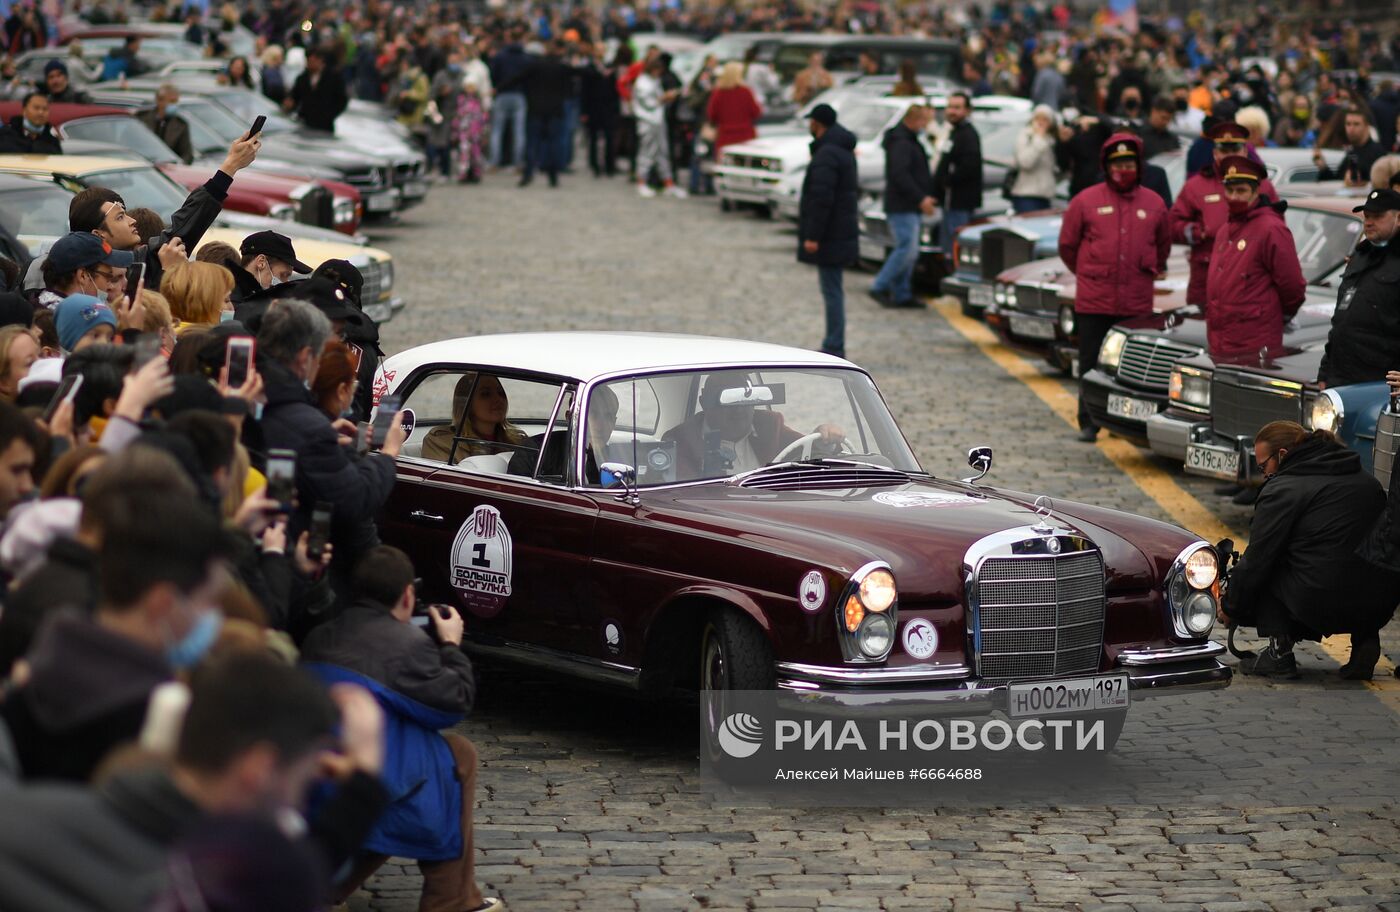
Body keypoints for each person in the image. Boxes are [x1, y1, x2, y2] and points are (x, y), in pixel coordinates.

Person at [0, 653, 392, 911]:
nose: (298, 799)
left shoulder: (22, 815)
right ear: (257, 769)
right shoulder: (226, 883)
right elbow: (290, 871)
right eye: (303, 779)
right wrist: (363, 784)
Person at [301, 545, 500, 912]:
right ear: (408, 595)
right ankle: (450, 897)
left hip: (313, 774)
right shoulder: (407, 645)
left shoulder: (320, 636)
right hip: (367, 777)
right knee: (457, 756)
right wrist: (452, 646)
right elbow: (453, 704)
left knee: (402, 752)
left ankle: (328, 886)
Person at [1223, 422, 1400, 679]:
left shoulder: (1283, 489)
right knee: (1358, 565)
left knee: (1264, 565)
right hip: (1377, 603)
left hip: (1319, 599)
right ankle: (1365, 642)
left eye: (1264, 466)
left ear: (1283, 455)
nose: (1263, 475)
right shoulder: (1366, 479)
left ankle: (1279, 654)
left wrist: (1230, 606)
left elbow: (1257, 561)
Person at [255, 299, 404, 592]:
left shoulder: (248, 397)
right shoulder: (307, 426)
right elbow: (355, 500)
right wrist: (388, 454)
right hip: (292, 574)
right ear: (305, 357)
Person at [1058, 133, 1171, 443]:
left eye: (1129, 162)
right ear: (1106, 167)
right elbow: (1068, 246)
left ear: (1139, 166)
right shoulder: (1085, 200)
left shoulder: (1154, 203)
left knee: (1128, 366)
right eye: (1118, 163)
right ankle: (1089, 421)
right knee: (1091, 360)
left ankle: (1121, 421)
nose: (1124, 168)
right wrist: (1088, 273)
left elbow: (1163, 246)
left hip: (1135, 300)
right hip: (1095, 300)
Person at [1202, 155, 1306, 361]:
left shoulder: (1271, 228)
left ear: (1256, 192)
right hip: (1222, 340)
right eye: (1229, 190)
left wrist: (1276, 316)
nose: (1234, 197)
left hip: (1254, 342)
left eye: (1241, 191)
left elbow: (1293, 286)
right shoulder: (1225, 230)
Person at [1169, 122, 1280, 308]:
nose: (1230, 155)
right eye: (1224, 150)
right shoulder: (1195, 186)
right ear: (1215, 153)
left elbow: (1278, 228)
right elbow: (1172, 224)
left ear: (1245, 151)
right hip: (1205, 279)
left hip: (1250, 279)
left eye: (1235, 149)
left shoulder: (1263, 186)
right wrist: (1198, 232)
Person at [662, 372, 844, 480]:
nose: (739, 410)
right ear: (705, 403)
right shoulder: (681, 440)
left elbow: (805, 449)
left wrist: (825, 438)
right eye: (728, 402)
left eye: (747, 400)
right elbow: (683, 498)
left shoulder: (769, 425)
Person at [1317, 189, 1400, 389]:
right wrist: (1325, 371)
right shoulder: (1361, 256)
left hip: (1381, 382)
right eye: (1367, 216)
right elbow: (1341, 320)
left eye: (1378, 216)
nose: (1369, 222)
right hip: (1342, 377)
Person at [797, 104, 858, 359]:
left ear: (817, 123)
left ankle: (834, 343)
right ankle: (834, 340)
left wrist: (813, 236)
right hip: (840, 230)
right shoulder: (841, 150)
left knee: (831, 289)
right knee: (834, 288)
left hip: (831, 234)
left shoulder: (827, 154)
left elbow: (822, 198)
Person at [868, 103, 933, 309]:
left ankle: (901, 292)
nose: (926, 125)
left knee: (908, 249)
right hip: (903, 204)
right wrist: (920, 197)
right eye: (924, 120)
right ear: (914, 120)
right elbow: (900, 174)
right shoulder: (903, 143)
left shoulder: (905, 140)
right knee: (907, 249)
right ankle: (880, 285)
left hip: (906, 204)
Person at [496, 39, 575, 189]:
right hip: (555, 110)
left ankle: (528, 174)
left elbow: (516, 79)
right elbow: (578, 76)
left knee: (532, 143)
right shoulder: (561, 67)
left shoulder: (535, 66)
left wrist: (498, 88)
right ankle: (553, 176)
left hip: (536, 109)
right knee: (553, 143)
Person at [421, 373, 528, 464]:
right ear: (466, 403)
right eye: (485, 394)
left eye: (501, 393)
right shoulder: (441, 442)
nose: (498, 399)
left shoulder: (518, 441)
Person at [931, 92, 982, 260]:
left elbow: (969, 167)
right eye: (950, 107)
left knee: (954, 248)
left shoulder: (968, 135)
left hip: (959, 202)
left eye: (957, 108)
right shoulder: (953, 132)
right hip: (948, 203)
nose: (952, 111)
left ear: (967, 111)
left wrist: (947, 181)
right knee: (946, 248)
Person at [633, 56, 684, 198]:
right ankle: (641, 182)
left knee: (662, 151)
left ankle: (668, 183)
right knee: (647, 152)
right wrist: (664, 98)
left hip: (657, 120)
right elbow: (648, 103)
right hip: (647, 122)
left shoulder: (653, 81)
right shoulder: (643, 82)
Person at [488, 33, 531, 169]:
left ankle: (494, 161)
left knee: (497, 130)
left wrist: (497, 86)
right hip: (519, 95)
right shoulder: (525, 58)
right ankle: (518, 162)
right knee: (519, 131)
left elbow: (493, 74)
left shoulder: (500, 57)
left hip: (502, 95)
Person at [705, 62, 761, 163]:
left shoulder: (718, 93)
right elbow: (756, 112)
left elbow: (712, 115)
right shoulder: (746, 92)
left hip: (725, 136)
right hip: (745, 136)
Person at [1315, 107, 1384, 187]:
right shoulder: (1352, 151)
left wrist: (1359, 183)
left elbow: (1380, 184)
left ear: (1367, 126)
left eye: (1356, 124)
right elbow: (1338, 181)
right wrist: (1323, 167)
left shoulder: (1377, 153)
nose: (1351, 128)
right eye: (1348, 124)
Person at [286, 46, 348, 133]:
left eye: (312, 61)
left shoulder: (334, 78)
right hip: (305, 122)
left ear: (320, 60)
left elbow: (342, 100)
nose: (309, 64)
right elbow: (295, 97)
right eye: (308, 61)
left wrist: (330, 115)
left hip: (325, 125)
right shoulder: (302, 78)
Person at [581, 42, 620, 178]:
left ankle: (609, 166)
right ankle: (595, 165)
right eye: (598, 50)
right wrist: (584, 111)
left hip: (608, 108)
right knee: (593, 139)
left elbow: (615, 90)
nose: (600, 52)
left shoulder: (610, 68)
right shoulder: (589, 68)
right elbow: (584, 91)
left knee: (609, 138)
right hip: (593, 109)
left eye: (602, 50)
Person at [1010, 105, 1058, 214]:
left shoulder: (1051, 140)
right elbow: (1025, 162)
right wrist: (1039, 139)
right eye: (1038, 119)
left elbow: (1054, 168)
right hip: (1026, 195)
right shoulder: (1026, 136)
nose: (1041, 123)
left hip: (1045, 195)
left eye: (1045, 119)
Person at [161, 261, 233, 332]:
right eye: (226, 300)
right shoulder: (207, 341)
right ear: (203, 303)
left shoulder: (163, 337)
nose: (231, 308)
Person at [135, 83, 194, 164]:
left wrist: (179, 166)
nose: (174, 105)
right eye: (172, 101)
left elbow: (187, 154)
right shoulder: (141, 120)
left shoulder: (180, 125)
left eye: (176, 101)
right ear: (159, 100)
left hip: (170, 169)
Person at [1140, 95, 1182, 160]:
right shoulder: (1138, 134)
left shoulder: (1172, 139)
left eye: (1168, 119)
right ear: (1153, 111)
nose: (1165, 122)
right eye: (1163, 118)